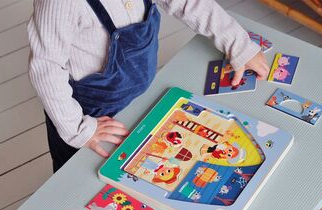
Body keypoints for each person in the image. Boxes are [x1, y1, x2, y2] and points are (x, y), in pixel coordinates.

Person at [28, 0, 269, 172]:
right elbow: (46, 66)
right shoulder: (59, 3)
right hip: (89, 113)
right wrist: (78, 129)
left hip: (140, 97)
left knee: (139, 167)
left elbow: (190, 3)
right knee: (79, 173)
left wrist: (239, 45)